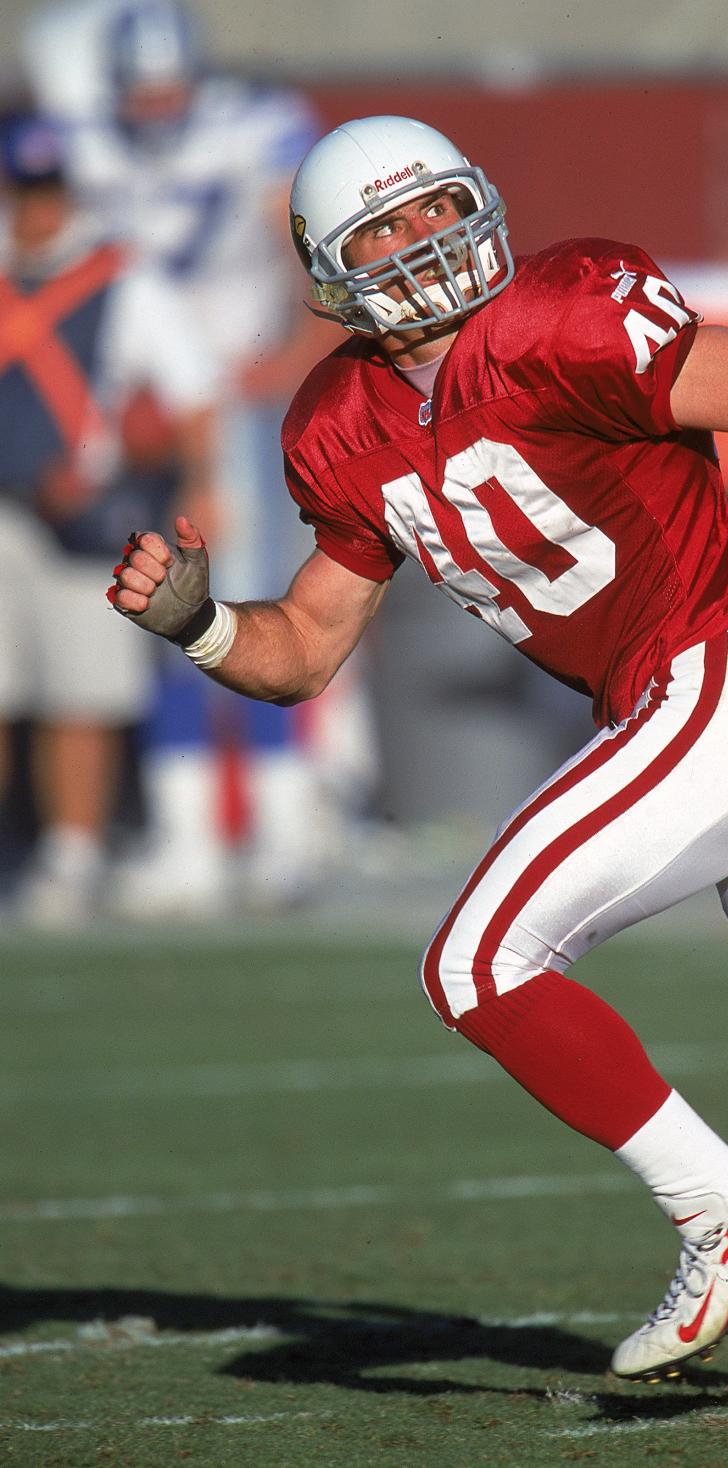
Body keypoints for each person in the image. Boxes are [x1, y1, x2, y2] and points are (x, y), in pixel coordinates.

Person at [109, 115, 728, 1382]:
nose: (424, 240)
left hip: (722, 671)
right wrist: (196, 621)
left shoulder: (564, 315)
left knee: (476, 964)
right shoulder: (339, 423)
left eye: (436, 207)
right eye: (385, 228)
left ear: (480, 204)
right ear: (331, 269)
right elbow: (302, 648)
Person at [23, 0, 361, 913]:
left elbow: (302, 240)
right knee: (158, 611)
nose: (161, 109)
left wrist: (290, 352)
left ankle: (282, 831)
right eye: (146, 93)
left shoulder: (253, 124)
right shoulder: (87, 133)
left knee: (242, 605)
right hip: (130, 408)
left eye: (174, 90)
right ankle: (190, 835)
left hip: (233, 403)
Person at [0, 109, 219, 925]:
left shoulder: (119, 277)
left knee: (78, 695)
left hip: (78, 512)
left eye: (50, 191)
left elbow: (189, 394)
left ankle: (72, 855)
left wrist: (198, 485)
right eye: (25, 191)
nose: (38, 209)